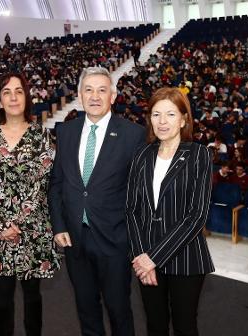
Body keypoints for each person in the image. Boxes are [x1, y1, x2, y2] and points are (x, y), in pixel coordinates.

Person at [48, 67, 145, 336]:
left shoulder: (133, 134)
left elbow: (140, 193)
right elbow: (57, 183)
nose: (95, 96)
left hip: (114, 241)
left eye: (102, 90)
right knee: (86, 310)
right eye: (88, 90)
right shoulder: (65, 131)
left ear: (113, 96)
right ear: (79, 96)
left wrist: (132, 238)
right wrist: (58, 226)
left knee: (119, 310)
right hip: (75, 240)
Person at [0, 72, 60, 336]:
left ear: (27, 97)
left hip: (31, 227)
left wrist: (18, 223)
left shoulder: (42, 136)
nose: (13, 97)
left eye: (19, 91)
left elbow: (41, 185)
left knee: (33, 296)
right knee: (2, 298)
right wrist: (1, 225)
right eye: (7, 92)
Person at [125, 87, 215, 336]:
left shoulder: (199, 155)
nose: (162, 122)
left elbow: (196, 216)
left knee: (185, 327)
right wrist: (141, 257)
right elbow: (132, 210)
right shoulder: (142, 155)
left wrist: (153, 257)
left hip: (185, 258)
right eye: (156, 114)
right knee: (155, 326)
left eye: (170, 114)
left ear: (184, 118)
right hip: (146, 258)